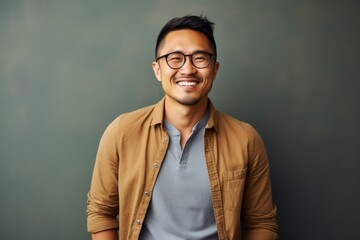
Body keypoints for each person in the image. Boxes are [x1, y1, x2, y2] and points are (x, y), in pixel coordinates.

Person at [87, 15, 278, 240]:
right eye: (175, 58)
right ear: (157, 69)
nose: (187, 69)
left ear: (215, 69)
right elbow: (101, 213)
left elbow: (262, 223)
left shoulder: (246, 140)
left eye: (200, 58)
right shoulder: (122, 132)